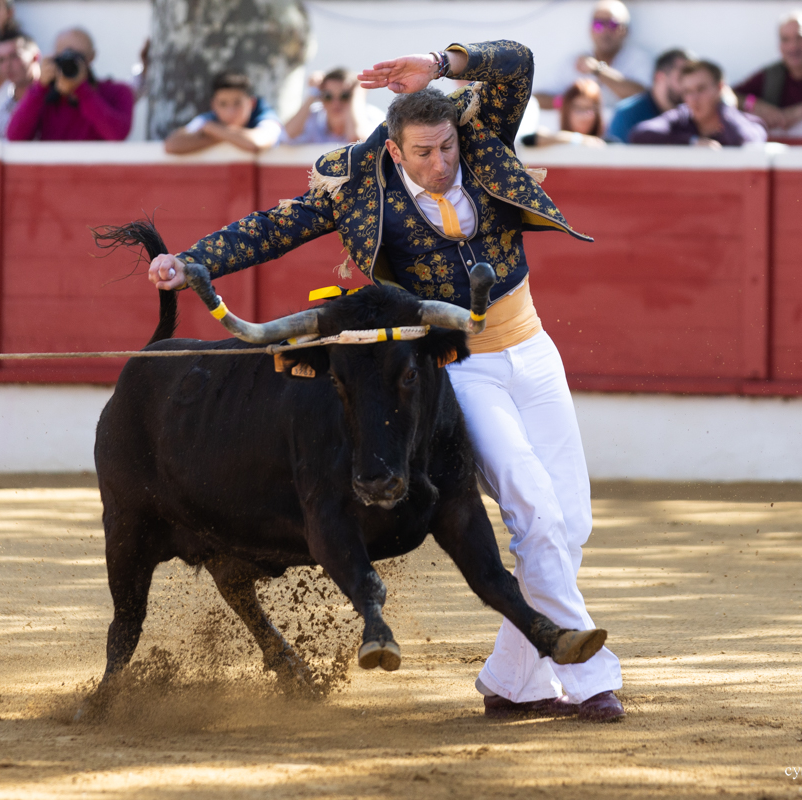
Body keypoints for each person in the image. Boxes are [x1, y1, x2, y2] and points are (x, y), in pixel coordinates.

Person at [147, 40, 626, 722]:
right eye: (424, 153)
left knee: (569, 524)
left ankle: (513, 681)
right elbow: (275, 227)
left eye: (447, 147)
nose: (441, 162)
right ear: (396, 151)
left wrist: (443, 63)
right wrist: (192, 260)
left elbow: (518, 62)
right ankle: (591, 679)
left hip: (533, 346)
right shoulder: (359, 185)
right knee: (536, 514)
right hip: (460, 366)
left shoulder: (481, 136)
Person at [6, 27, 133, 141]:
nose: (69, 63)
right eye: (63, 56)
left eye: (77, 56)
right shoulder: (44, 96)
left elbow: (117, 135)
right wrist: (40, 87)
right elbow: (15, 136)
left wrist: (82, 91)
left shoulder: (118, 92)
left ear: (92, 57)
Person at [533, 0, 651, 110]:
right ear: (590, 29)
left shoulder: (638, 59)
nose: (605, 31)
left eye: (612, 25)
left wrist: (597, 70)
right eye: (598, 24)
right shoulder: (574, 62)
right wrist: (570, 102)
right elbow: (536, 99)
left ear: (626, 30)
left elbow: (643, 97)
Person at [631, 60, 767, 148]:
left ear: (720, 88)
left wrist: (726, 107)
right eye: (687, 91)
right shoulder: (680, 117)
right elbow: (640, 134)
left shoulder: (747, 121)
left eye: (701, 89)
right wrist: (692, 141)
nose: (693, 99)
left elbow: (746, 141)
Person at [164, 71, 282, 154]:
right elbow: (172, 144)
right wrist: (233, 138)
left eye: (237, 103)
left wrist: (214, 130)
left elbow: (257, 143)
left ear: (252, 103)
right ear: (213, 105)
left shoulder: (264, 113)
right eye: (223, 104)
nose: (230, 111)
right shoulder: (209, 119)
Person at [607, 48, 692, 143]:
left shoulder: (694, 115)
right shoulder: (626, 115)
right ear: (660, 77)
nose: (688, 85)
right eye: (681, 78)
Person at [283, 67, 384, 145]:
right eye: (328, 96)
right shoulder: (314, 116)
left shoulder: (372, 116)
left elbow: (358, 139)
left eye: (344, 96)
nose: (336, 103)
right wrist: (313, 92)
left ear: (353, 97)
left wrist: (359, 91)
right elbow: (286, 134)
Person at [521, 78, 607, 147]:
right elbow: (529, 140)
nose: (584, 115)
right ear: (567, 110)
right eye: (578, 108)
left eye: (589, 108)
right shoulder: (554, 140)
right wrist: (579, 139)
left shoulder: (607, 142)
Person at [0, 32, 39, 138]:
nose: (7, 65)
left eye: (14, 56)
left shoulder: (57, 101)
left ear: (35, 57)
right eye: (1, 60)